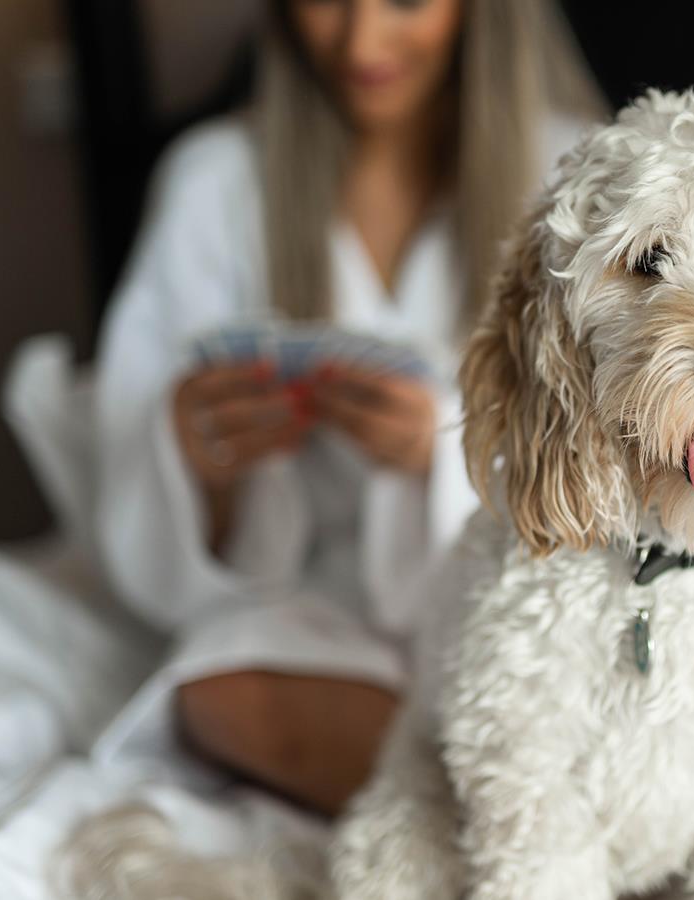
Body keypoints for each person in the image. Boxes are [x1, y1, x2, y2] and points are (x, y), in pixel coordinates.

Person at [93, 0, 603, 816]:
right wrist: (196, 456)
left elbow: (619, 445)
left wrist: (443, 450)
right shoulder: (215, 180)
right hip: (316, 598)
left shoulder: (575, 175)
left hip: (519, 584)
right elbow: (137, 478)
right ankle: (525, 828)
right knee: (219, 694)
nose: (362, 41)